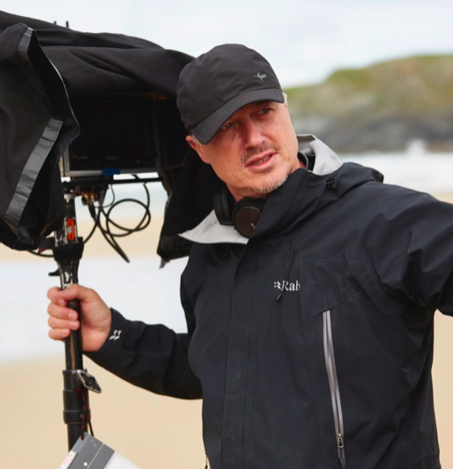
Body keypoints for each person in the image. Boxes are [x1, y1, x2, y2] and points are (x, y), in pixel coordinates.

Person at [47, 44, 453, 469]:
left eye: (263, 112)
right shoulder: (209, 253)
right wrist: (113, 335)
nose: (254, 138)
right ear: (198, 148)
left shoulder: (385, 222)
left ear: (286, 109)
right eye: (227, 125)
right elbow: (214, 368)